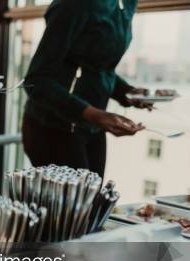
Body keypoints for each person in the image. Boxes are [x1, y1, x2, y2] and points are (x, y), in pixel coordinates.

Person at [22, 0, 152, 178]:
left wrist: (128, 93)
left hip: (93, 126)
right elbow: (36, 81)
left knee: (93, 203)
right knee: (72, 205)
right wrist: (94, 114)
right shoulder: (74, 4)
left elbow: (98, 67)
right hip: (54, 127)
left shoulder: (127, 4)